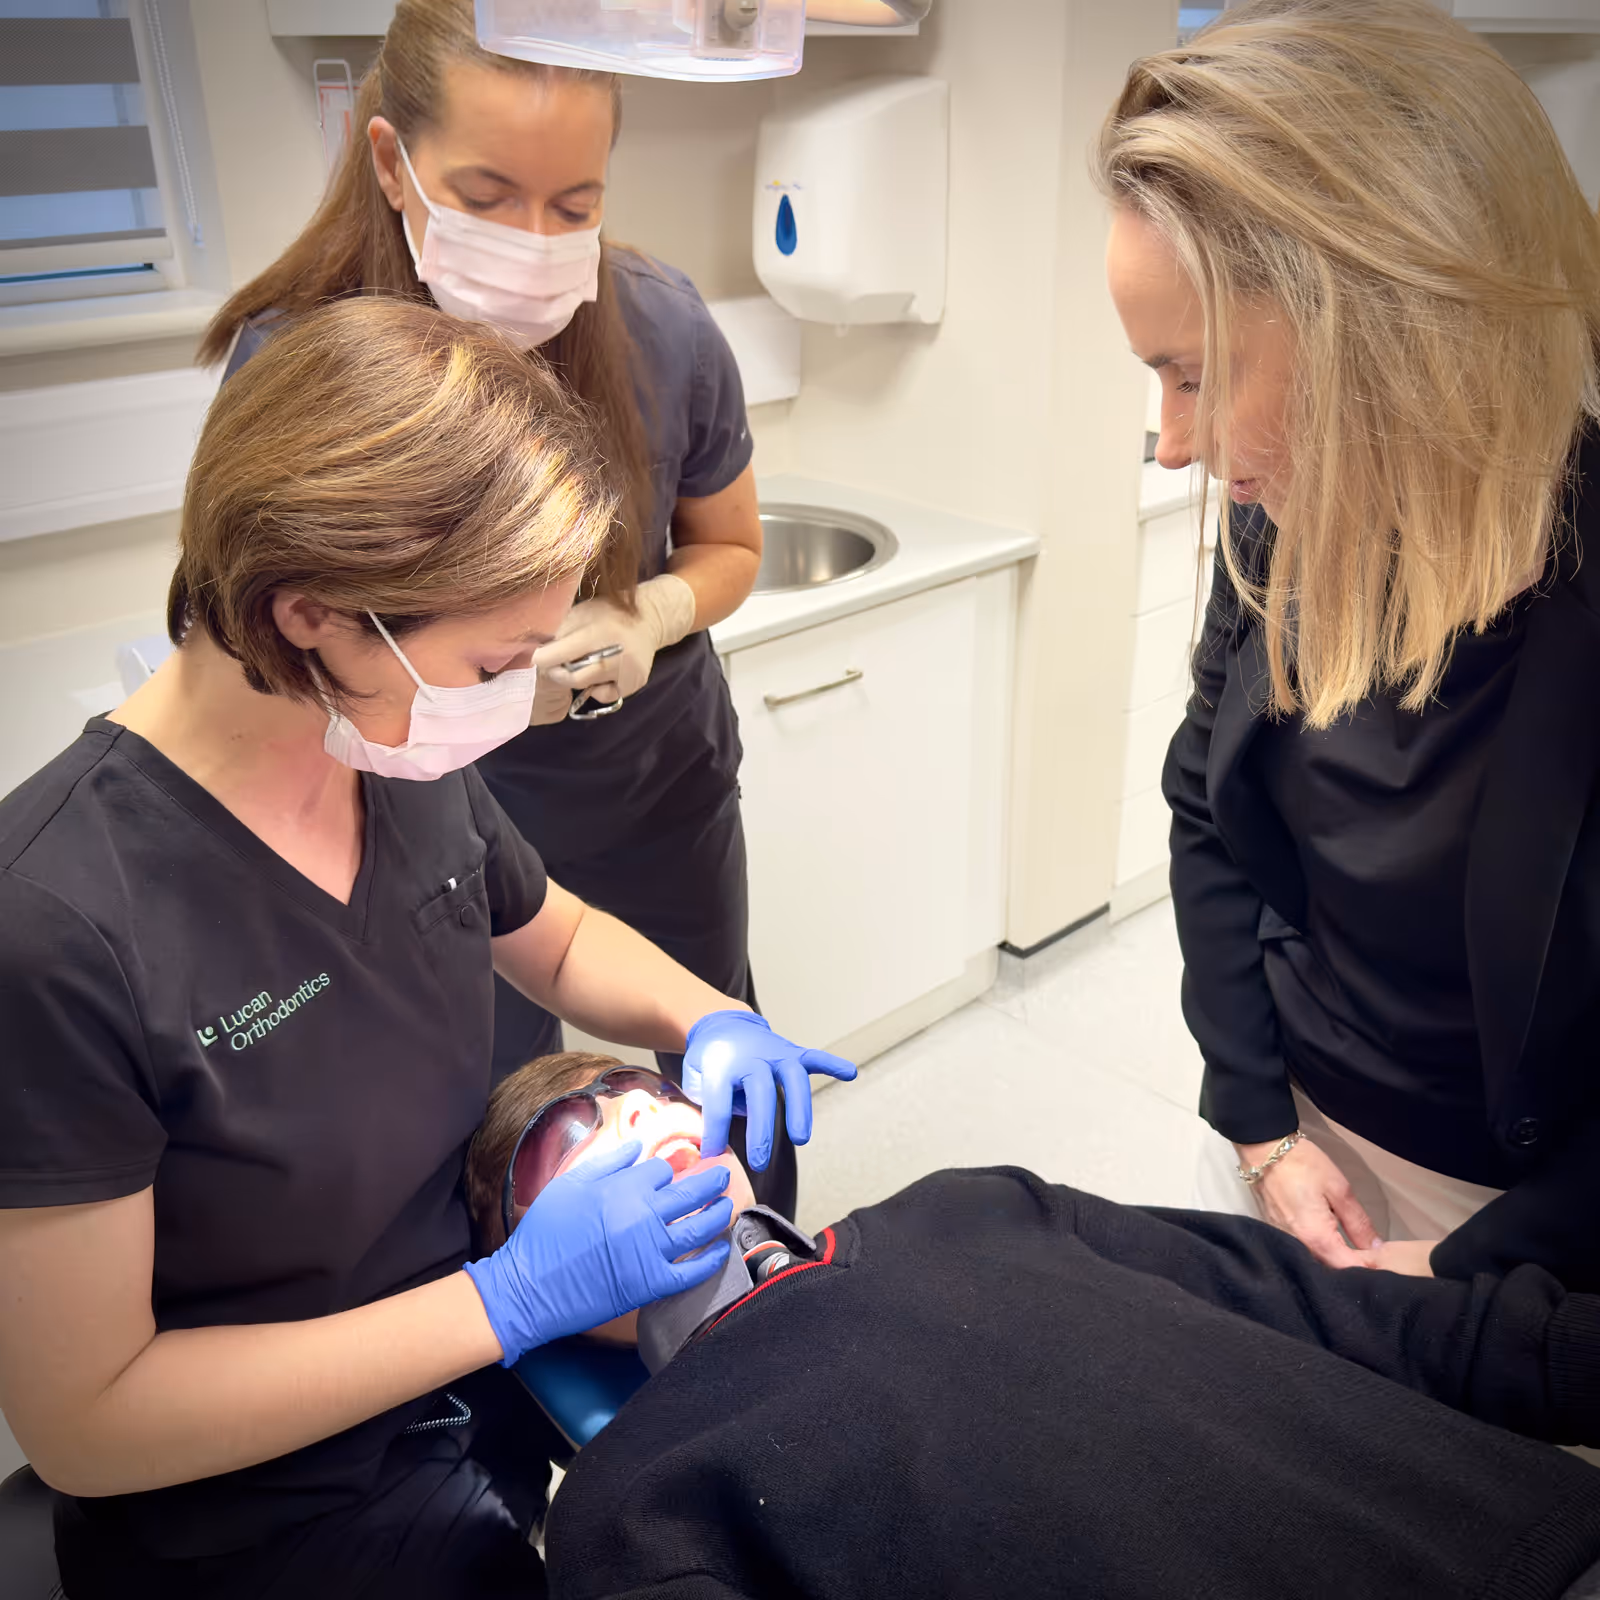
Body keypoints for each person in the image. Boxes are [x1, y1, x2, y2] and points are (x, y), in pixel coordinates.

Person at [0, 299, 851, 1600]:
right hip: (260, 1525)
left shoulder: (386, 748)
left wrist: (707, 1015)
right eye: (494, 660)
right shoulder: (58, 924)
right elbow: (91, 1422)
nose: (522, 696)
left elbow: (550, 938)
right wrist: (507, 1300)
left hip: (481, 1410)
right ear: (310, 614)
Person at [195, 0, 794, 1211]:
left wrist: (652, 615)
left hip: (653, 781)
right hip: (434, 812)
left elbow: (731, 545)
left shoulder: (662, 324)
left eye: (574, 206)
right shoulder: (305, 368)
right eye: (486, 193)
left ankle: (764, 1285)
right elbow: (249, 655)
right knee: (492, 1122)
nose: (534, 240)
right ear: (390, 163)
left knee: (713, 1047)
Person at [1094, 0, 1600, 1286]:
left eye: (1196, 375)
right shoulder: (1284, 524)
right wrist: (1260, 1126)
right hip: (1294, 1146)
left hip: (1527, 1229)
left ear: (1381, 332)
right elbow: (1203, 808)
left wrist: (1467, 1273)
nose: (1171, 443)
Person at [463, 1051, 1600, 1600]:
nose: (631, 1119)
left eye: (634, 1090)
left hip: (1528, 1535)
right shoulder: (635, 1501)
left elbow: (1347, 1314)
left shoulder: (970, 1202)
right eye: (573, 1141)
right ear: (548, 1272)